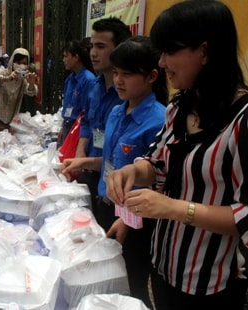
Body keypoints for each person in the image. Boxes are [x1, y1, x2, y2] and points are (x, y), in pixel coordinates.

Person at [106, 1, 248, 309]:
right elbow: (158, 162)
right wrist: (133, 170)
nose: (164, 62)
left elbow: (244, 214)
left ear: (205, 51)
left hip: (211, 283)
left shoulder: (242, 120)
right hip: (165, 268)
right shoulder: (179, 107)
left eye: (170, 51)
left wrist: (174, 208)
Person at [62, 35, 168, 308]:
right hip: (106, 206)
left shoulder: (160, 120)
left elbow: (160, 180)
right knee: (105, 279)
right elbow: (113, 163)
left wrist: (130, 218)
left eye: (128, 74)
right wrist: (83, 162)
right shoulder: (117, 112)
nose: (119, 80)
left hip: (136, 222)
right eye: (117, 72)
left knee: (130, 286)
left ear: (152, 76)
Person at [75, 17, 131, 210]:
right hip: (89, 173)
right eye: (92, 46)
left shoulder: (129, 96)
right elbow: (86, 122)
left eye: (100, 46)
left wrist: (83, 161)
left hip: (115, 188)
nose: (93, 53)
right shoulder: (93, 86)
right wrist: (80, 151)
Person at [0, 48, 38, 133]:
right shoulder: (3, 72)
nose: (21, 65)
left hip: (10, 122)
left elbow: (31, 92)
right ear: (12, 61)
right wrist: (8, 78)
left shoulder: (22, 81)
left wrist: (31, 83)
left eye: (24, 63)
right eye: (18, 62)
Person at [60, 40, 96, 143]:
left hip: (79, 128)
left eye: (66, 56)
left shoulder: (88, 80)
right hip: (68, 125)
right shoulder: (70, 79)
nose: (64, 60)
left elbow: (86, 112)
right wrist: (63, 127)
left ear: (76, 57)